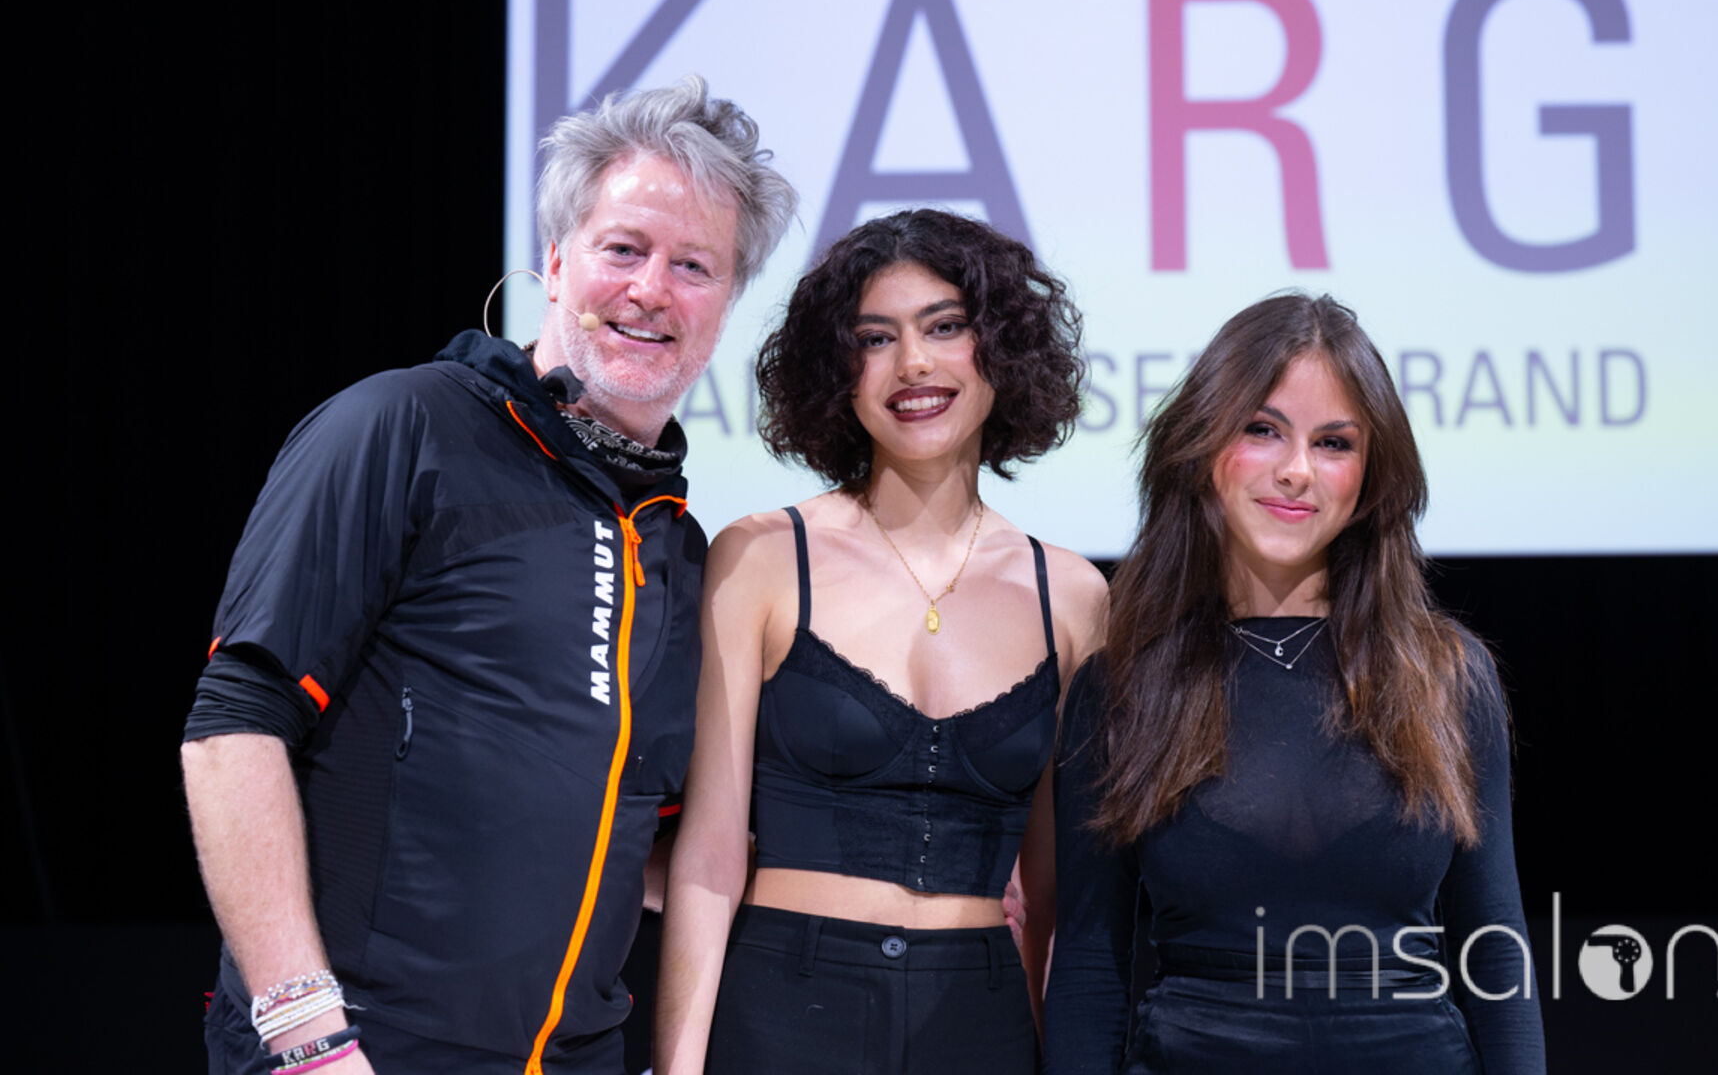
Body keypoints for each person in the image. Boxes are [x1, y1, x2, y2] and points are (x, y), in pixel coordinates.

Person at [180, 76, 798, 1075]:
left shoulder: (680, 553)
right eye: (623, 248)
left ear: (725, 305)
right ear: (555, 261)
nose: (652, 289)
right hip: (361, 1051)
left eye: (694, 265)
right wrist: (306, 1036)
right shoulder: (403, 425)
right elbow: (233, 728)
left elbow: (638, 843)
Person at [654, 210, 1108, 1075]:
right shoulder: (762, 557)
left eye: (945, 327)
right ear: (837, 372)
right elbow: (709, 857)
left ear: (1002, 349)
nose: (913, 365)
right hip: (783, 1014)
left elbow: (1056, 897)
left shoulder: (1074, 596)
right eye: (874, 338)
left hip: (981, 1024)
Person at [1045, 294, 1546, 1074]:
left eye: (1334, 442)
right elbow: (1088, 965)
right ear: (1201, 444)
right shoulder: (1122, 688)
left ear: (1372, 477)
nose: (1297, 470)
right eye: (1262, 429)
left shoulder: (1446, 675)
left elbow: (1496, 946)